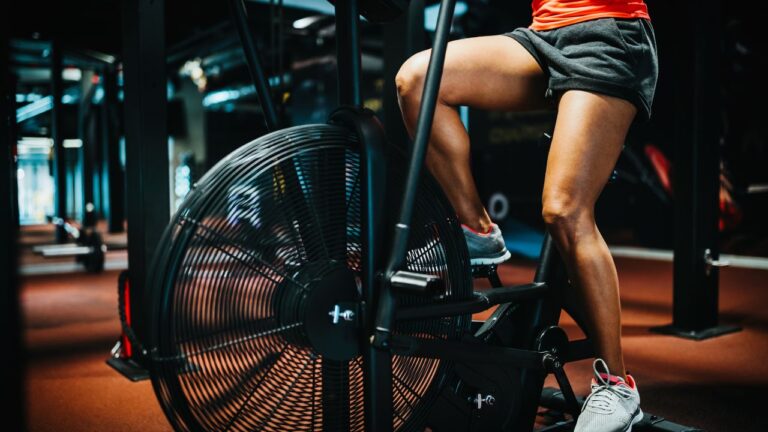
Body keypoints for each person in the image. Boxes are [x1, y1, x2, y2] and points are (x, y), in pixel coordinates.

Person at [395, 1, 658, 431]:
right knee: (418, 80)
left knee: (564, 210)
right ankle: (476, 231)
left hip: (610, 36)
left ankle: (618, 387)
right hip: (543, 37)